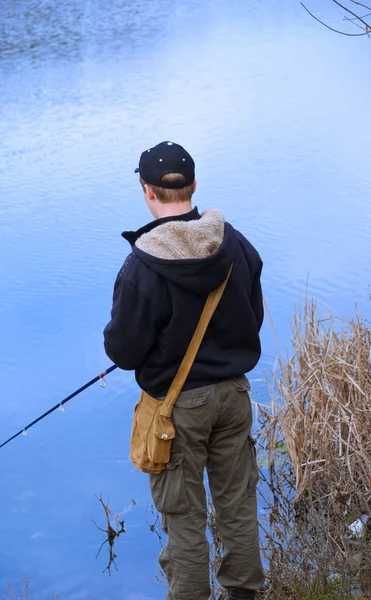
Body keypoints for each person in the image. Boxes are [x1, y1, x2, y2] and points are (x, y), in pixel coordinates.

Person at [103, 141, 265, 600]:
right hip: (234, 396)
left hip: (177, 410)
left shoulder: (142, 265)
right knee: (238, 503)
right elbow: (251, 317)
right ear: (193, 186)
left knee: (183, 516)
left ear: (146, 191)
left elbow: (125, 350)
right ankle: (244, 594)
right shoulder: (235, 244)